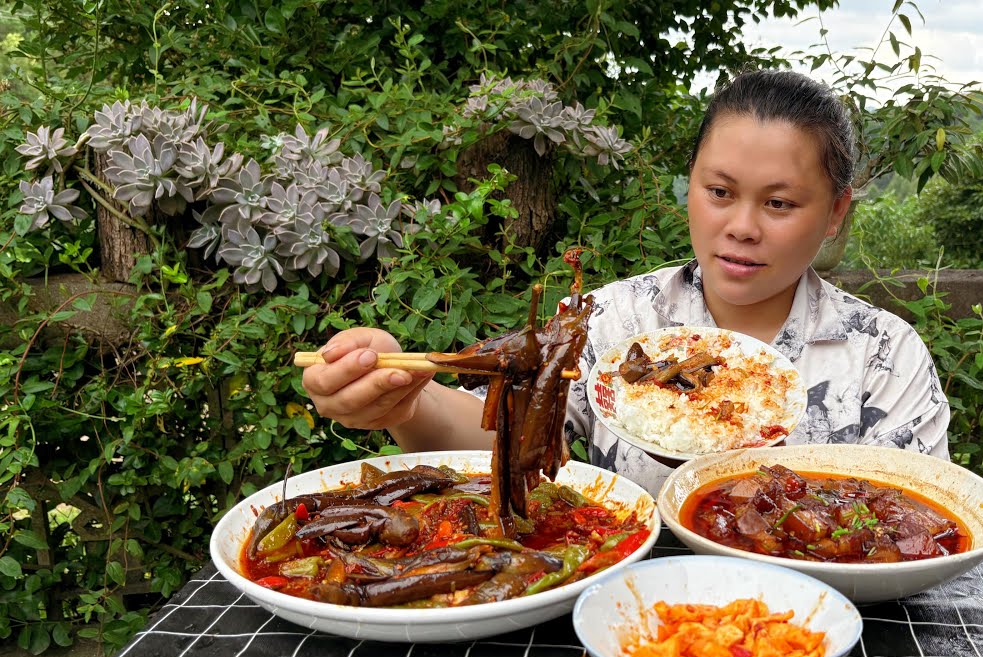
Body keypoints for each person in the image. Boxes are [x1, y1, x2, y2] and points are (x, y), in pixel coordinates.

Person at [302, 69, 950, 495]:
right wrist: (409, 403)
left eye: (779, 203)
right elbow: (512, 433)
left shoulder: (884, 354)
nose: (741, 227)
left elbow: (914, 513)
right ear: (690, 184)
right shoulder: (613, 319)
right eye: (719, 192)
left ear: (835, 212)